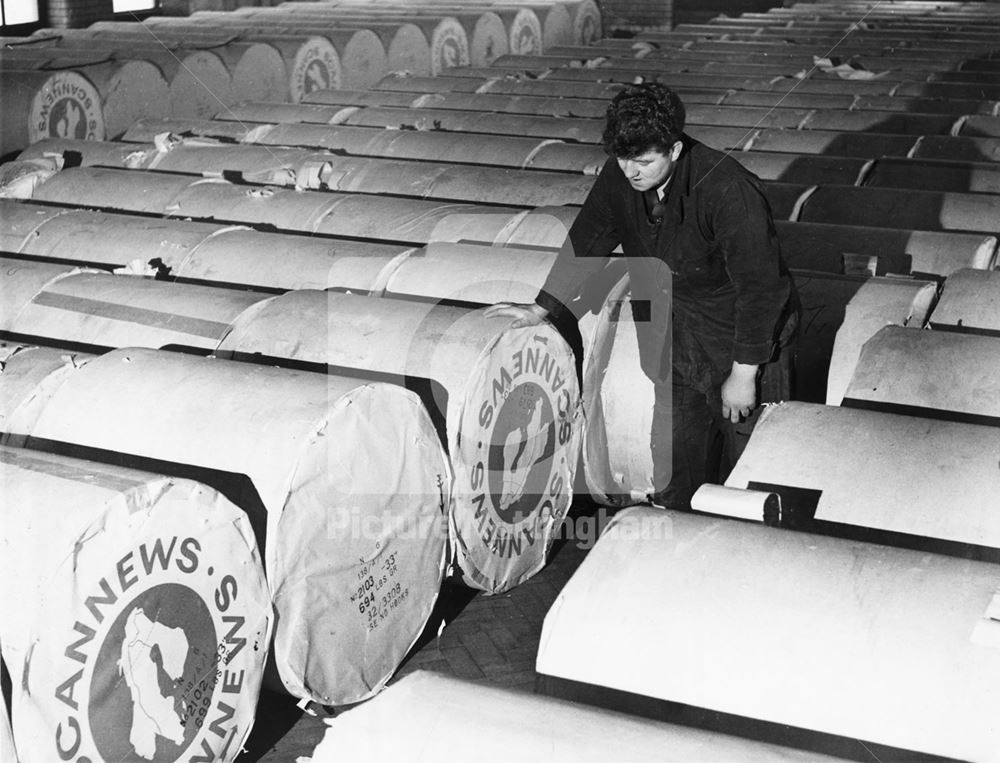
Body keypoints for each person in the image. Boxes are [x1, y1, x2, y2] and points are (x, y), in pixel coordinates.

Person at [485, 82, 798, 510]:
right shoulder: (622, 176)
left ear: (674, 148)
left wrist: (744, 374)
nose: (630, 171)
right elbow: (588, 239)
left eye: (643, 161)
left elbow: (760, 287)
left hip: (744, 341)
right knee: (674, 464)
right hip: (674, 342)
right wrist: (542, 307)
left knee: (747, 469)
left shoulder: (727, 188)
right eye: (621, 158)